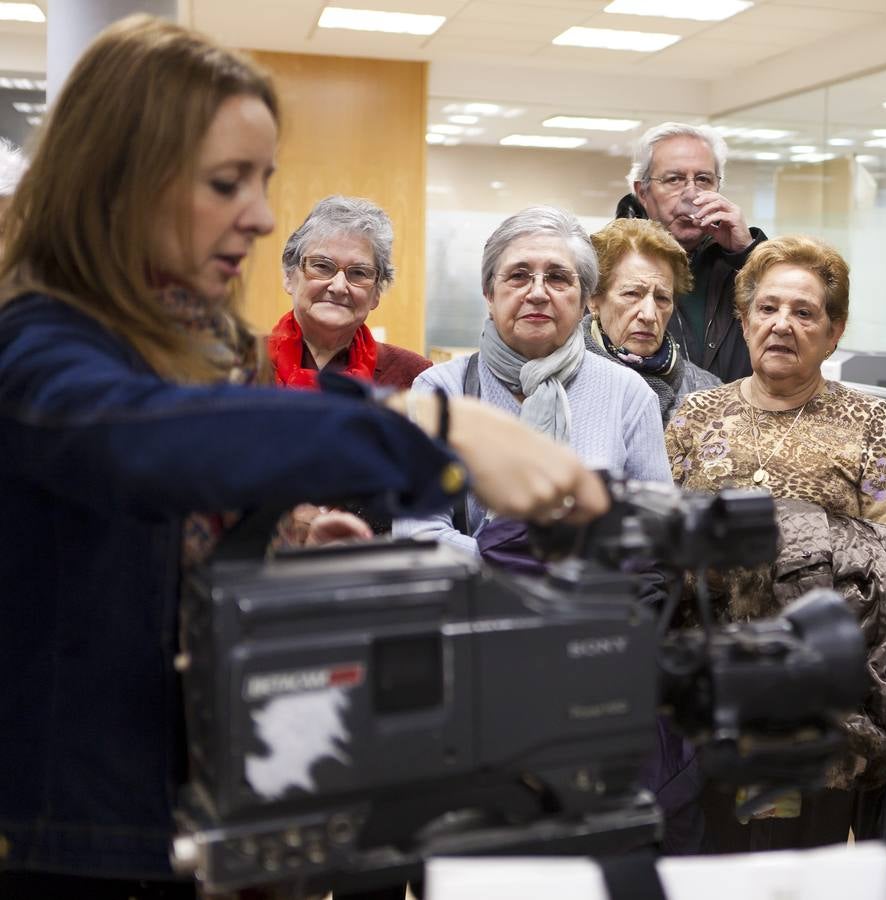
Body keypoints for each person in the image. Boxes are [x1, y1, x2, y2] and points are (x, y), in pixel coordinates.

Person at [0, 17, 607, 897]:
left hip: (176, 817)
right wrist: (430, 430)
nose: (261, 216)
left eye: (263, 180)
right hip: (69, 841)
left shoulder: (185, 342)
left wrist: (279, 542)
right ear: (118, 183)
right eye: (225, 183)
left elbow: (158, 537)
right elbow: (138, 444)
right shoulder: (34, 342)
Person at [665, 234, 886, 851]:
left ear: (834, 332)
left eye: (804, 312)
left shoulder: (867, 422)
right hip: (711, 697)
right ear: (745, 317)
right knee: (712, 870)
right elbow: (662, 547)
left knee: (797, 872)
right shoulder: (696, 416)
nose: (782, 324)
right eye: (768, 308)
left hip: (821, 707)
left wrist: (790, 549)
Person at [393, 206, 670, 568]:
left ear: (586, 298)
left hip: (590, 612)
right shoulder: (439, 391)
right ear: (489, 294)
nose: (537, 293)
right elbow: (417, 530)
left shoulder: (628, 394)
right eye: (519, 276)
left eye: (557, 278)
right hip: (472, 611)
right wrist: (512, 562)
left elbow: (657, 526)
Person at [617, 122, 767, 382]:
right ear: (642, 192)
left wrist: (747, 251)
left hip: (736, 419)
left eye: (703, 180)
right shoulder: (609, 266)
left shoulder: (741, 262)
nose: (691, 195)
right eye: (674, 179)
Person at [272, 194, 431, 389]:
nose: (339, 287)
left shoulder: (413, 376)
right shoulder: (241, 363)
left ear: (377, 292)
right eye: (322, 266)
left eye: (358, 272)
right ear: (289, 276)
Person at [585, 217, 719, 422]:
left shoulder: (708, 393)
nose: (648, 315)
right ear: (594, 299)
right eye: (632, 294)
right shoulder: (556, 376)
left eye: (662, 298)